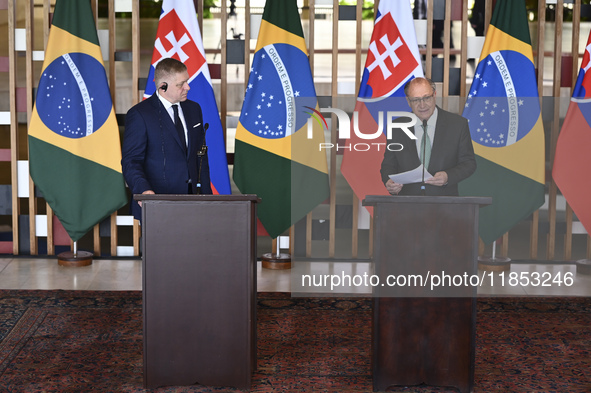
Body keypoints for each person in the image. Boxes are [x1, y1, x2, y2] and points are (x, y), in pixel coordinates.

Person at [121, 58, 212, 220]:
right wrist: (144, 191)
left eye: (187, 81)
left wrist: (207, 198)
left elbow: (200, 157)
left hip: (194, 203)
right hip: (157, 203)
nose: (188, 87)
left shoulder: (194, 109)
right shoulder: (140, 115)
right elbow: (131, 161)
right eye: (181, 84)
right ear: (163, 86)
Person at [380, 77, 476, 196]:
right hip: (407, 204)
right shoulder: (397, 127)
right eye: (416, 100)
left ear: (434, 95)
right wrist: (389, 182)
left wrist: (448, 176)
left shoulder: (457, 124)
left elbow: (468, 163)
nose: (422, 105)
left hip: (445, 203)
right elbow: (388, 165)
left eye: (426, 98)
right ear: (408, 101)